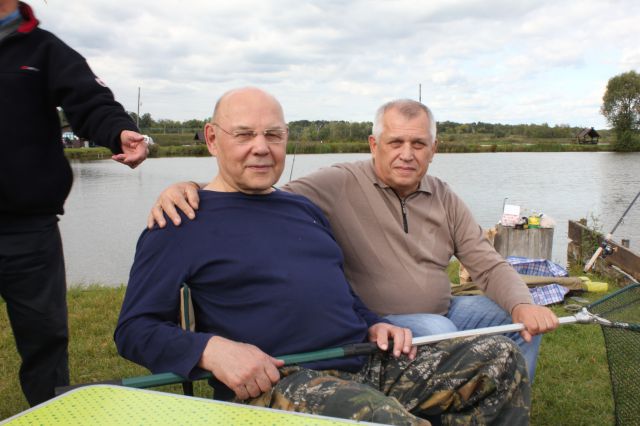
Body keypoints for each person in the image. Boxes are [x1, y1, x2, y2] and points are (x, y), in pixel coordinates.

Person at [115, 87, 530, 425]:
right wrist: (211, 350)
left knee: (500, 359)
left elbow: (339, 291)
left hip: (362, 359)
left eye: (273, 135)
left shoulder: (304, 208)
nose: (261, 148)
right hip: (277, 379)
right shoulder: (181, 220)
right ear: (212, 139)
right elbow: (134, 329)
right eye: (244, 135)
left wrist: (372, 323)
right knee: (385, 419)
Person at [0, 1, 148, 406]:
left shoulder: (44, 50)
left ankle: (50, 412)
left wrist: (119, 131)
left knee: (44, 340)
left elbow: (90, 101)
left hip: (28, 228)